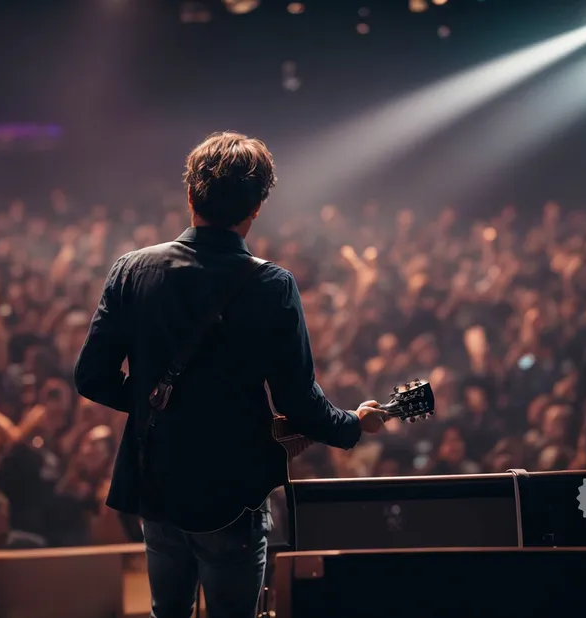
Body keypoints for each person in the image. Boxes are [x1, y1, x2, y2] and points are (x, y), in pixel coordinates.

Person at [74, 131, 388, 618]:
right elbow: (298, 401)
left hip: (156, 480)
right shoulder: (272, 286)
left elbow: (92, 377)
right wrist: (353, 423)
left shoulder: (132, 270)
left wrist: (159, 405)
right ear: (257, 206)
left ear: (190, 195)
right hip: (231, 491)